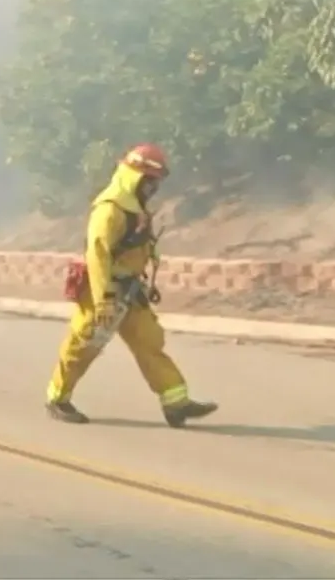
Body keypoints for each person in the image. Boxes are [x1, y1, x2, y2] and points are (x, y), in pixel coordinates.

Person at [45, 143, 218, 428]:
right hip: (106, 292)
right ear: (133, 176)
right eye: (150, 181)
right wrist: (103, 301)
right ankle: (57, 398)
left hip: (129, 290)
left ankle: (176, 403)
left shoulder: (134, 207)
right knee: (83, 346)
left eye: (156, 183)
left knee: (149, 342)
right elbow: (97, 256)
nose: (153, 188)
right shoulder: (110, 209)